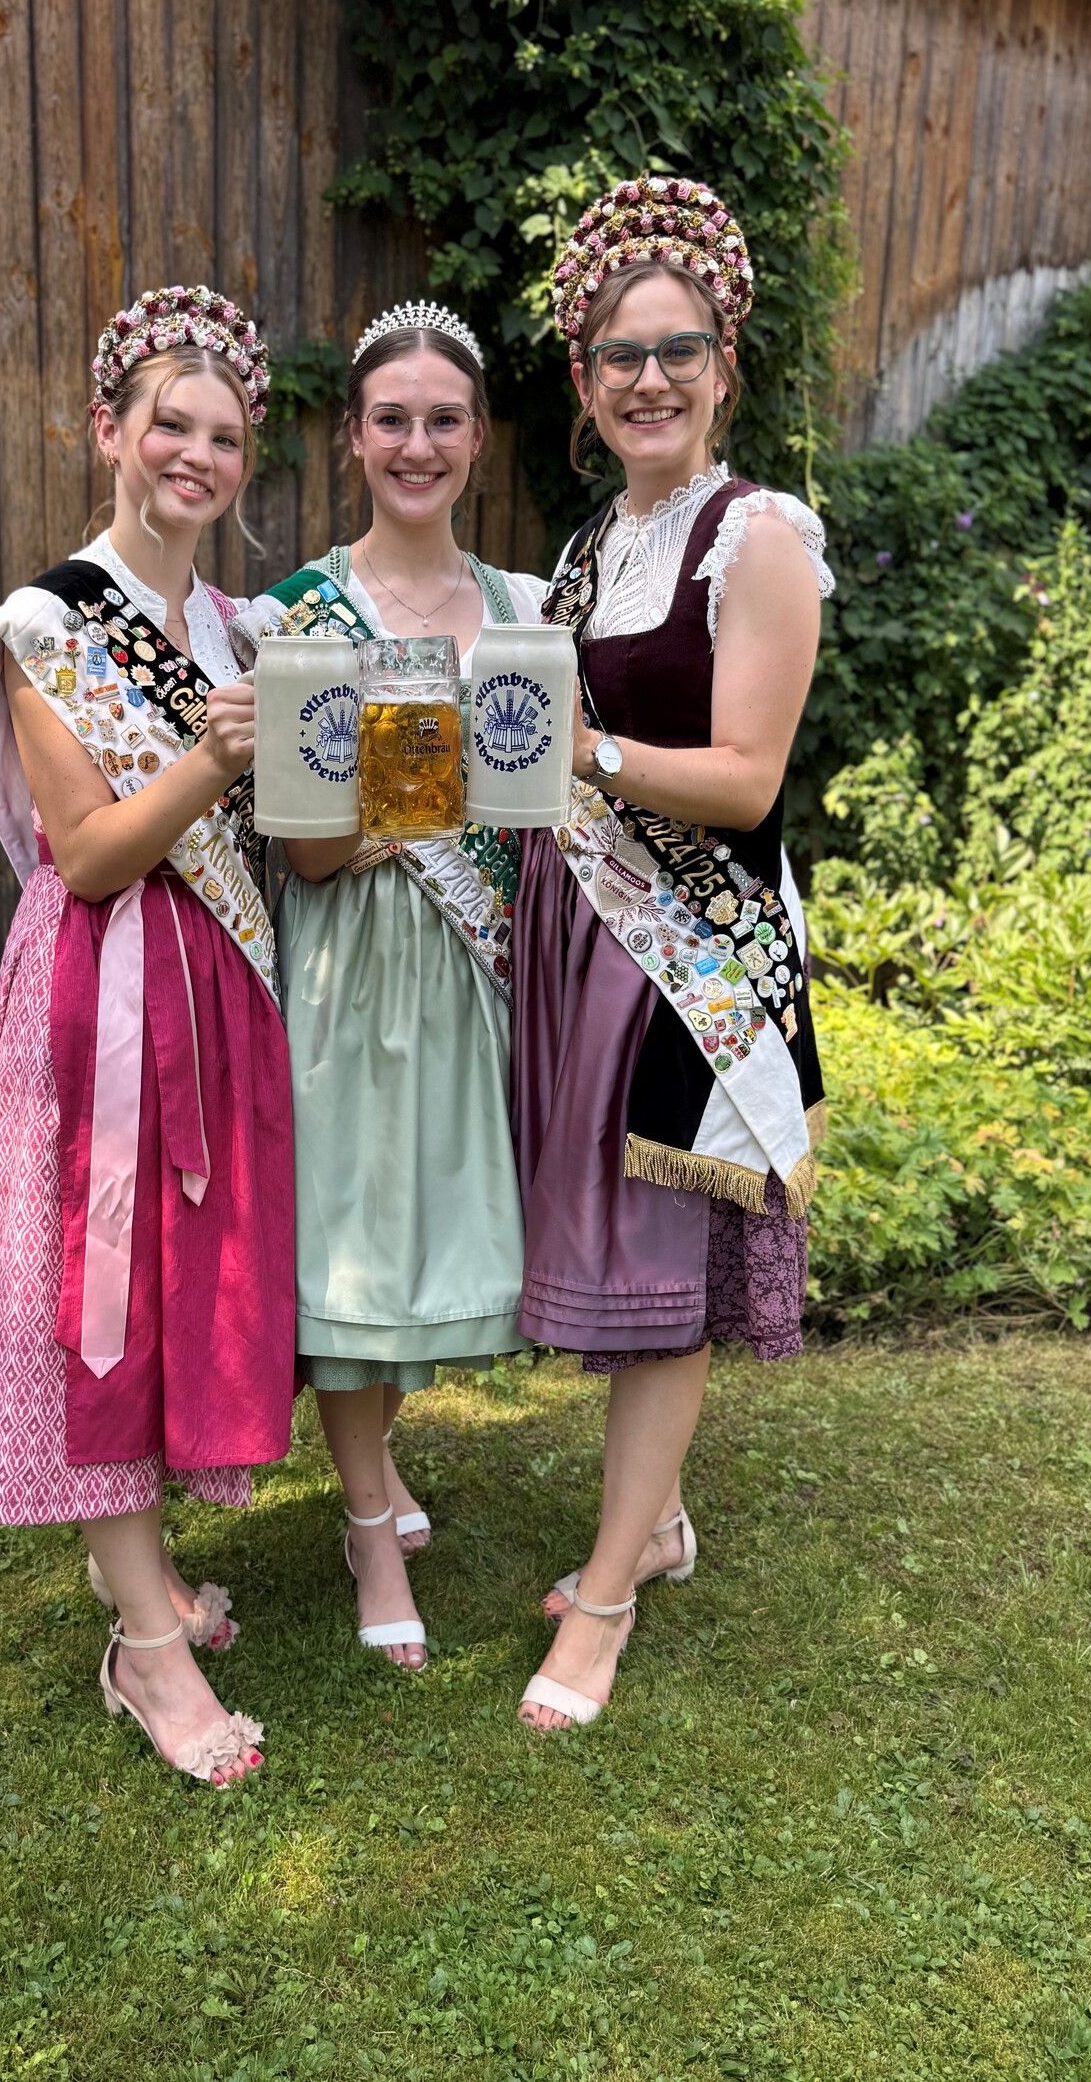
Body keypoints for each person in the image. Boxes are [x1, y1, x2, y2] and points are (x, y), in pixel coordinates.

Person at [0, 286, 293, 1787]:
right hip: (104, 985)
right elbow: (90, 855)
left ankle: (142, 1577)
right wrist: (216, 759)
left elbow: (297, 830)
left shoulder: (241, 630)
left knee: (174, 1278)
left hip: (215, 981)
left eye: (224, 436)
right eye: (171, 423)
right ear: (110, 429)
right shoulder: (47, 624)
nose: (196, 455)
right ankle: (147, 1647)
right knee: (100, 1282)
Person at [511, 180, 833, 1731]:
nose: (649, 378)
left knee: (663, 1266)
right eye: (618, 354)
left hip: (692, 959)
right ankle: (658, 1521)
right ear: (584, 382)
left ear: (724, 367)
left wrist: (582, 752)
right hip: (592, 943)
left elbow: (749, 779)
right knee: (626, 1257)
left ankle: (608, 1597)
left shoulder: (756, 536)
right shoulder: (591, 550)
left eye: (677, 350)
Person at [230, 302, 545, 1673]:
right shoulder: (295, 611)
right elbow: (308, 847)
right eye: (391, 419)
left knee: (433, 1233)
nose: (419, 444)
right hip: (350, 965)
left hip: (484, 966)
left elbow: (546, 805)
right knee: (352, 1241)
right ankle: (367, 1524)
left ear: (479, 439)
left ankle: (381, 1466)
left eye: (444, 420)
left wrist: (428, 778)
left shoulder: (527, 608)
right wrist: (453, 779)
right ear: (353, 439)